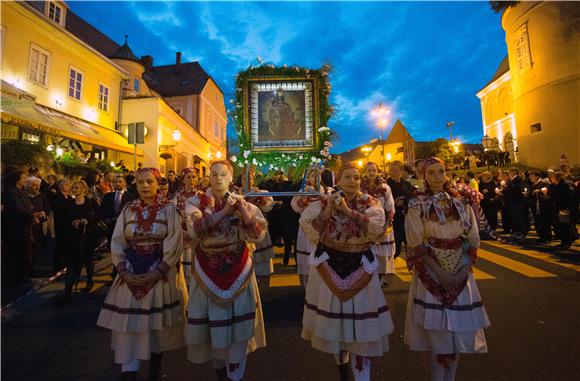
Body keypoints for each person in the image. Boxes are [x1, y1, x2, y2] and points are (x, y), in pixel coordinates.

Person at [299, 162, 394, 381]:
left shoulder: (371, 202)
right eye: (348, 177)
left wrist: (347, 212)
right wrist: (331, 209)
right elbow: (312, 231)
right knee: (336, 327)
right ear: (338, 180)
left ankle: (362, 375)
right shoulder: (324, 202)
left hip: (361, 267)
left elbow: (377, 230)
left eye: (357, 177)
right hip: (329, 268)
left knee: (362, 328)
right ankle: (343, 369)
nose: (353, 181)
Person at [97, 168, 188, 381]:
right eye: (140, 183)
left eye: (149, 182)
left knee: (156, 329)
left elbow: (174, 242)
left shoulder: (169, 210)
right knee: (129, 328)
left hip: (158, 278)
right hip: (129, 275)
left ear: (157, 184)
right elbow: (118, 241)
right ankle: (129, 372)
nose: (145, 186)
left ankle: (154, 372)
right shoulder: (128, 210)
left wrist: (157, 272)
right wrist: (123, 271)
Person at [404, 157, 490, 381]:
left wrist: (463, 270)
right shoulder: (417, 203)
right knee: (437, 333)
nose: (437, 177)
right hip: (431, 271)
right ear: (424, 175)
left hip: (460, 269)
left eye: (441, 171)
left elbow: (472, 238)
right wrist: (439, 272)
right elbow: (416, 241)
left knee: (457, 332)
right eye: (431, 172)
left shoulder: (460, 201)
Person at [184, 160, 268, 381]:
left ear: (231, 178)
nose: (218, 178)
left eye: (223, 174)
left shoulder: (243, 203)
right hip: (206, 272)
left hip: (238, 271)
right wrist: (225, 212)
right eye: (214, 174)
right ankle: (221, 372)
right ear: (208, 178)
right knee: (214, 328)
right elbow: (195, 231)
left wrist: (242, 211)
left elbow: (258, 234)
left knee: (238, 329)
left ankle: (235, 374)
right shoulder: (194, 203)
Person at [60, 180, 101, 301]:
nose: (74, 189)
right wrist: (72, 221)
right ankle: (67, 292)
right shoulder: (69, 203)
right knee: (72, 263)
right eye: (73, 187)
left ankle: (89, 280)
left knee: (88, 260)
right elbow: (63, 218)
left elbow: (100, 215)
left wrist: (88, 221)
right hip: (73, 237)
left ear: (83, 189)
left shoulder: (91, 202)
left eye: (77, 187)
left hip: (88, 236)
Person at [361, 162, 396, 287]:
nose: (371, 173)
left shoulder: (384, 187)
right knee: (370, 252)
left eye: (374, 170)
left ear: (377, 171)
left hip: (383, 225)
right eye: (369, 170)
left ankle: (381, 278)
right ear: (364, 172)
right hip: (367, 225)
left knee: (382, 255)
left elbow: (390, 206)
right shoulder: (360, 187)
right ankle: (371, 277)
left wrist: (387, 224)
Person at [291, 168, 328, 287]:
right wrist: (305, 196)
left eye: (318, 175)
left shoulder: (327, 190)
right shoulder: (303, 191)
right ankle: (307, 287)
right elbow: (296, 208)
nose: (316, 178)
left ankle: (321, 284)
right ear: (308, 178)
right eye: (312, 175)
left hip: (322, 229)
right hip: (306, 230)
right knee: (306, 259)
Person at [1, 169, 35, 287]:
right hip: (16, 229)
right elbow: (18, 209)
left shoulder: (21, 192)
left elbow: (27, 207)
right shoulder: (12, 193)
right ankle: (15, 278)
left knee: (23, 253)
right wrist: (31, 216)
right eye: (24, 178)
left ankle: (22, 275)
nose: (26, 180)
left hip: (23, 228)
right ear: (17, 180)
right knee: (16, 254)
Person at [172, 167, 199, 287]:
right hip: (181, 234)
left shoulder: (201, 196)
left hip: (196, 235)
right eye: (188, 177)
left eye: (194, 177)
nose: (192, 180)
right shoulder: (178, 196)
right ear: (183, 179)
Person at [387, 160, 412, 258]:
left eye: (395, 170)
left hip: (406, 217)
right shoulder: (386, 184)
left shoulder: (407, 184)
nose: (393, 172)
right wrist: (395, 202)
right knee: (396, 248)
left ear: (401, 171)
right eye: (391, 170)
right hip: (394, 218)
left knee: (409, 244)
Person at [26, 176, 50, 277]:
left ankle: (34, 267)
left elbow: (47, 208)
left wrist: (43, 213)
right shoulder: (25, 197)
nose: (37, 188)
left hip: (39, 227)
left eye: (38, 186)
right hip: (29, 227)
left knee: (37, 249)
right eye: (34, 185)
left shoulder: (41, 196)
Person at [547, 172, 576, 248]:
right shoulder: (554, 185)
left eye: (552, 177)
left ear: (557, 178)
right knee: (561, 225)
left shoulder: (564, 185)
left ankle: (567, 242)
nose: (551, 179)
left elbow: (564, 197)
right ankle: (564, 241)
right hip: (558, 207)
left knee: (565, 226)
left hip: (563, 208)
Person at [49, 178, 72, 273]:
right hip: (61, 225)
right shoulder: (58, 198)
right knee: (60, 246)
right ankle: (58, 266)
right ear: (60, 186)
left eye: (69, 184)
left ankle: (66, 264)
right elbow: (59, 212)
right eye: (66, 184)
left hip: (68, 225)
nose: (68, 186)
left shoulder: (69, 197)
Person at [529, 171, 552, 243]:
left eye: (532, 176)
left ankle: (547, 237)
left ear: (537, 177)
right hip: (535, 205)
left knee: (544, 222)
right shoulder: (533, 184)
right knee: (537, 221)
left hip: (543, 206)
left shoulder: (543, 183)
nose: (530, 178)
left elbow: (547, 193)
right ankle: (541, 236)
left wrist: (540, 191)